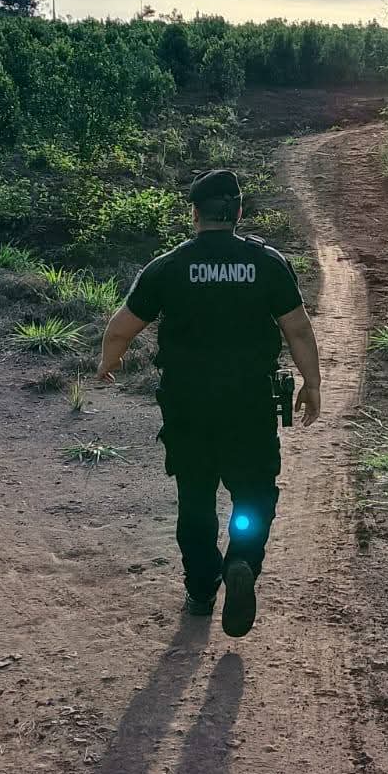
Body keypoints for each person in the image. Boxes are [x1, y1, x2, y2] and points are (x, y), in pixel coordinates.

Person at [97, 169, 322, 637]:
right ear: (238, 212)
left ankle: (201, 589)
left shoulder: (168, 266)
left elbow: (121, 328)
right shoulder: (267, 263)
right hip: (250, 404)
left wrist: (108, 363)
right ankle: (242, 560)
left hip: (188, 406)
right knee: (253, 492)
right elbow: (298, 330)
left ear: (194, 214)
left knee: (196, 497)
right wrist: (312, 383)